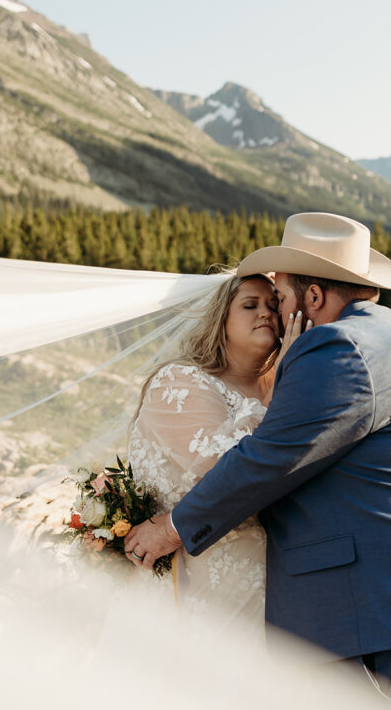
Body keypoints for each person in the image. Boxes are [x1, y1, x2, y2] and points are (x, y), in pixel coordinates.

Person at [125, 212, 391, 710]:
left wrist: (171, 527)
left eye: (281, 299)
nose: (277, 313)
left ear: (312, 298)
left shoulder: (337, 348)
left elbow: (267, 461)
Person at [126, 271, 304, 639]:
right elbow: (229, 471)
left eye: (275, 305)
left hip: (271, 594)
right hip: (191, 588)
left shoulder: (288, 391)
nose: (266, 313)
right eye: (250, 305)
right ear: (220, 318)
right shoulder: (180, 382)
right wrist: (285, 384)